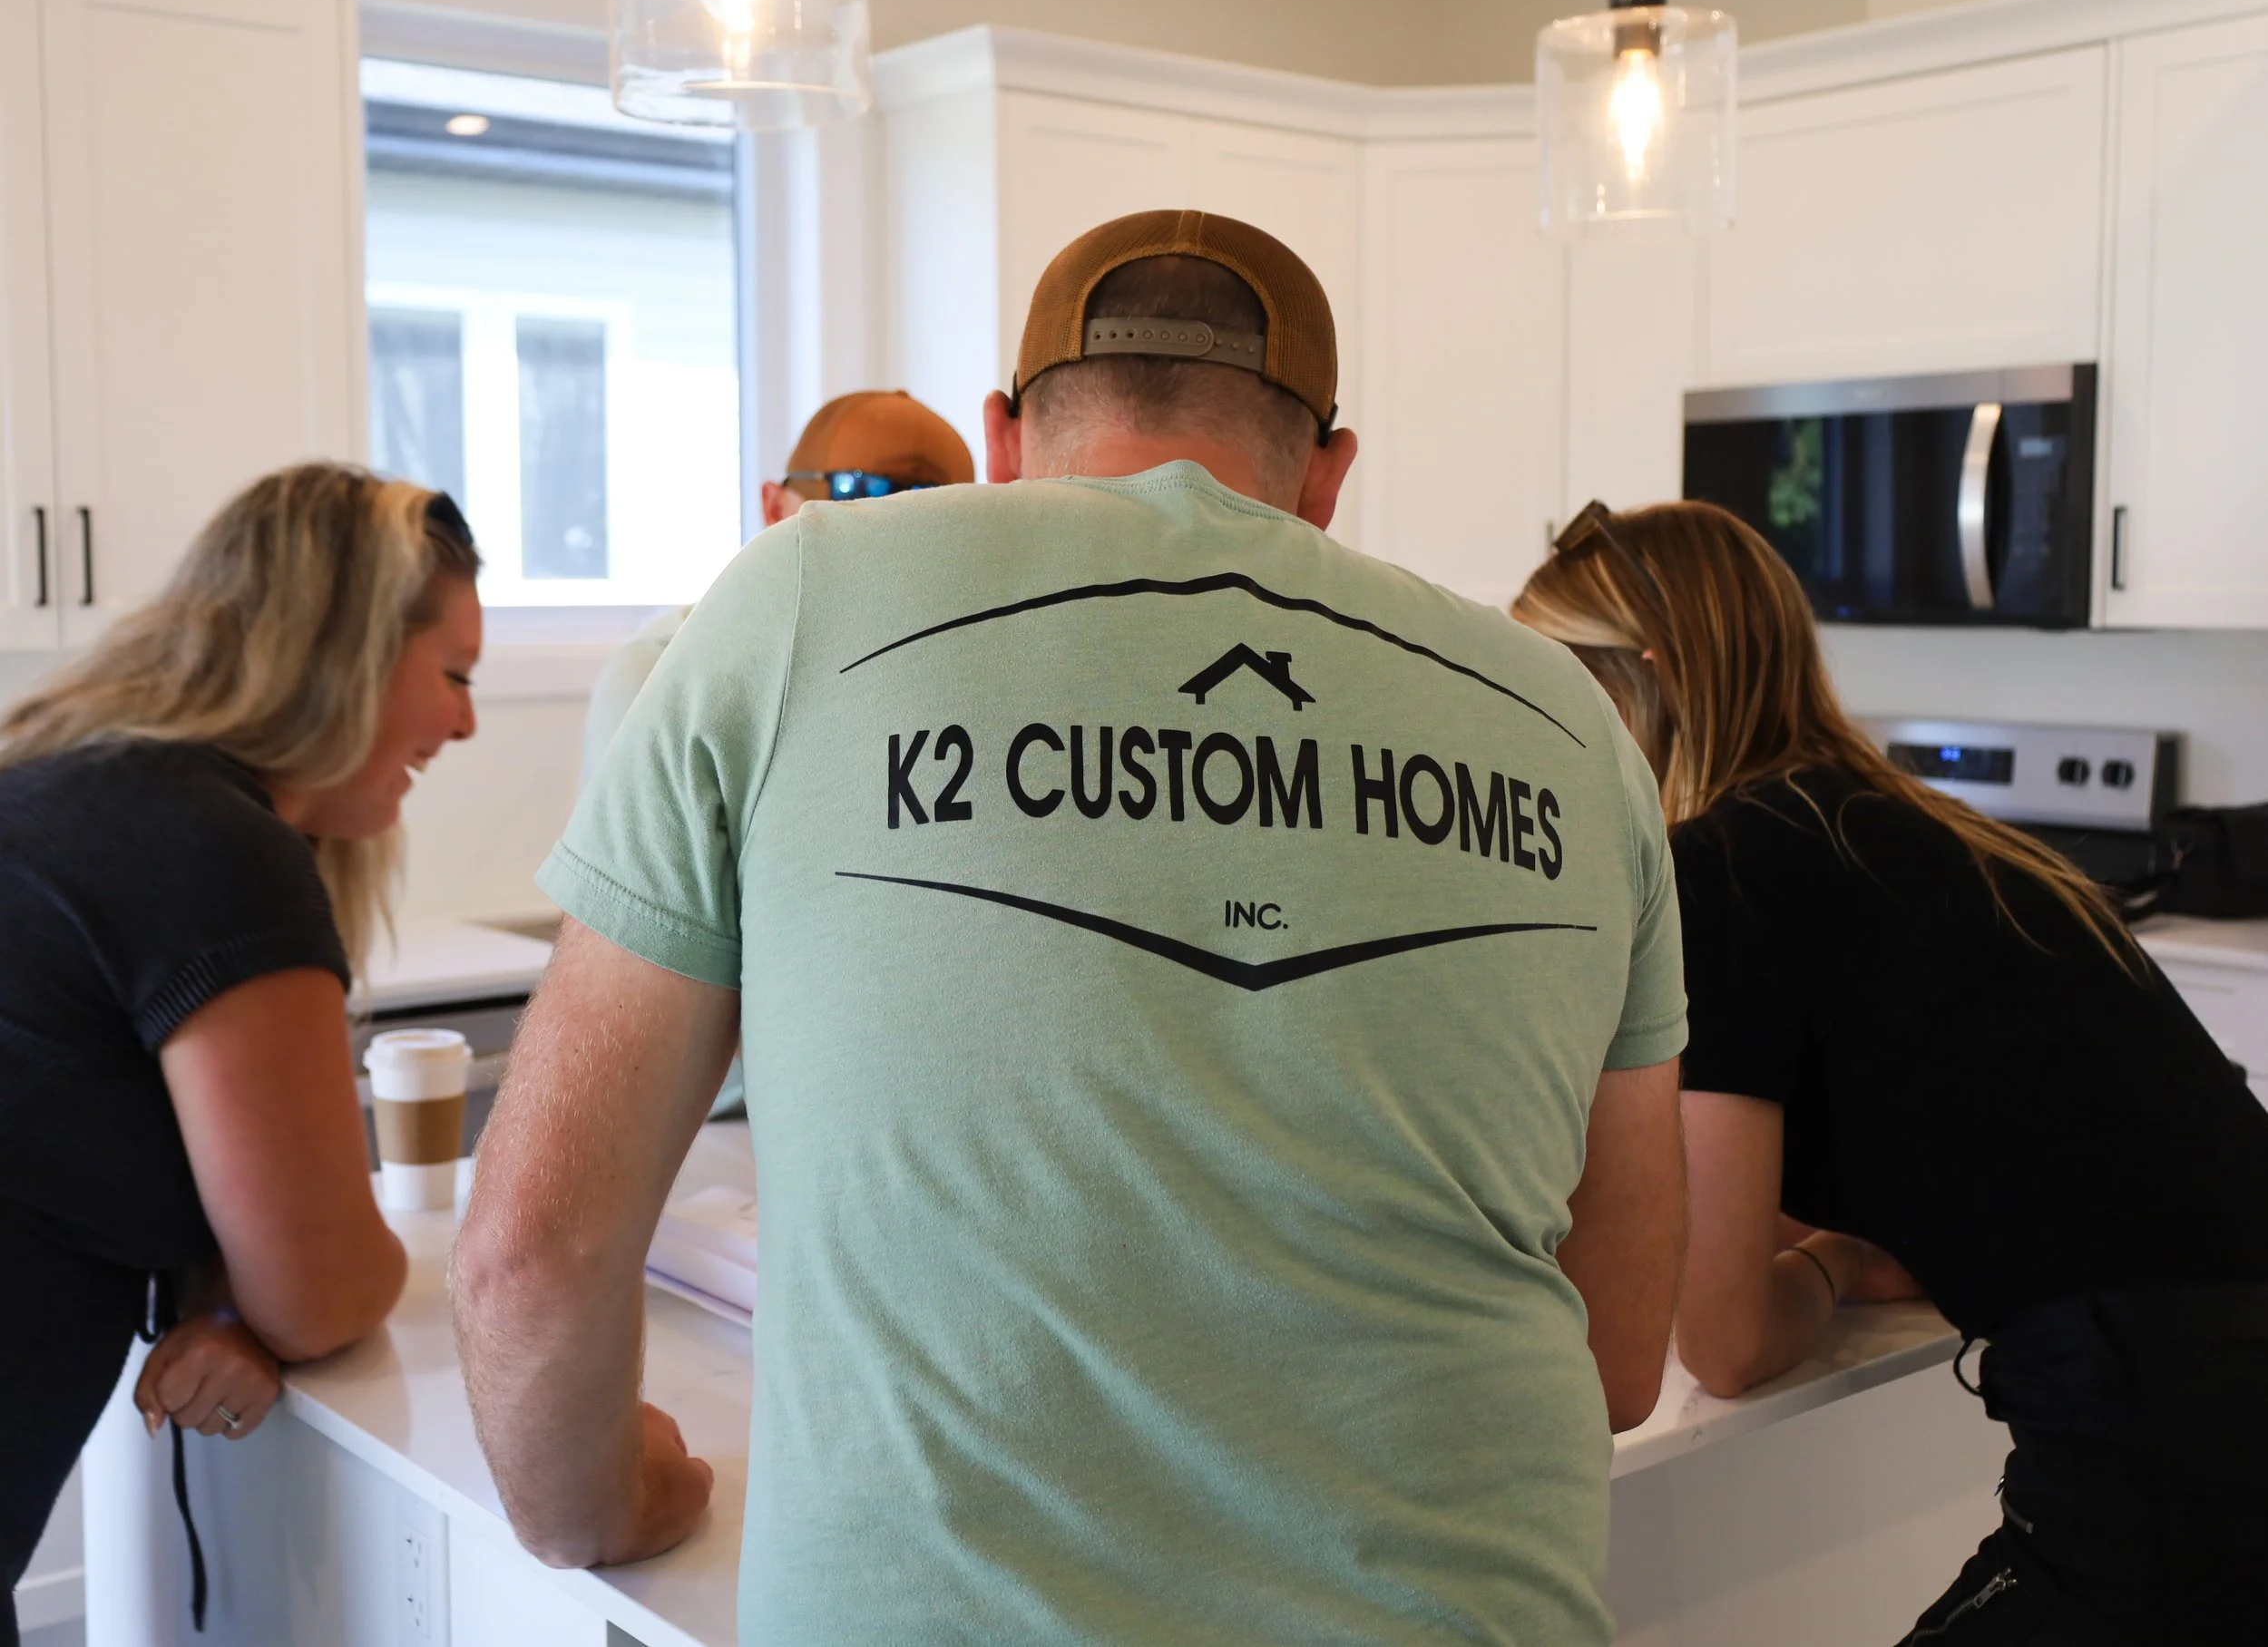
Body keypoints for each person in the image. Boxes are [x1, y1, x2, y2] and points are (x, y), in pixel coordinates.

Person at [459, 210, 1686, 1642]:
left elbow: (528, 1251)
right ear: (1332, 470)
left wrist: (596, 1507)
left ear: (1000, 433)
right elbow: (1614, 1357)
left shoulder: (798, 600)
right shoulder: (1573, 729)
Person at [1514, 499, 2268, 1644]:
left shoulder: (1728, 869)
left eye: (1552, 687)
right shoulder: (1897, 832)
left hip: (2174, 1428)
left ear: (1642, 685)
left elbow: (1722, 1338)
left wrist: (1823, 1265)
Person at [0, 465, 482, 1645]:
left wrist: (229, 1281)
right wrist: (269, 1296)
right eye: (455, 673)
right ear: (351, 650)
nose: (466, 721)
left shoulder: (68, 783)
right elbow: (322, 1284)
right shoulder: (211, 843)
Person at [579, 388, 974, 785]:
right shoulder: (661, 679)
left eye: (931, 508)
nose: (886, 543)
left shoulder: (953, 671)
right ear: (774, 507)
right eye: (856, 492)